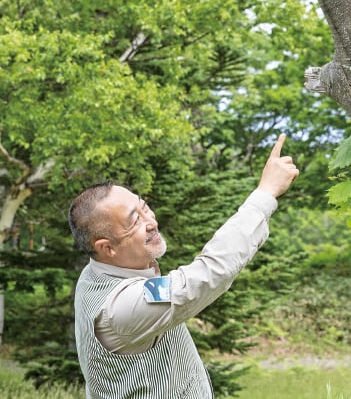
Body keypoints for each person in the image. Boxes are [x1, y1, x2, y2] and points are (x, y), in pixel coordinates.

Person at [68, 134, 299, 399]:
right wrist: (265, 194)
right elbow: (207, 275)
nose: (151, 221)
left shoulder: (95, 271)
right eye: (135, 221)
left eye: (144, 207)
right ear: (106, 247)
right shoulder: (121, 308)